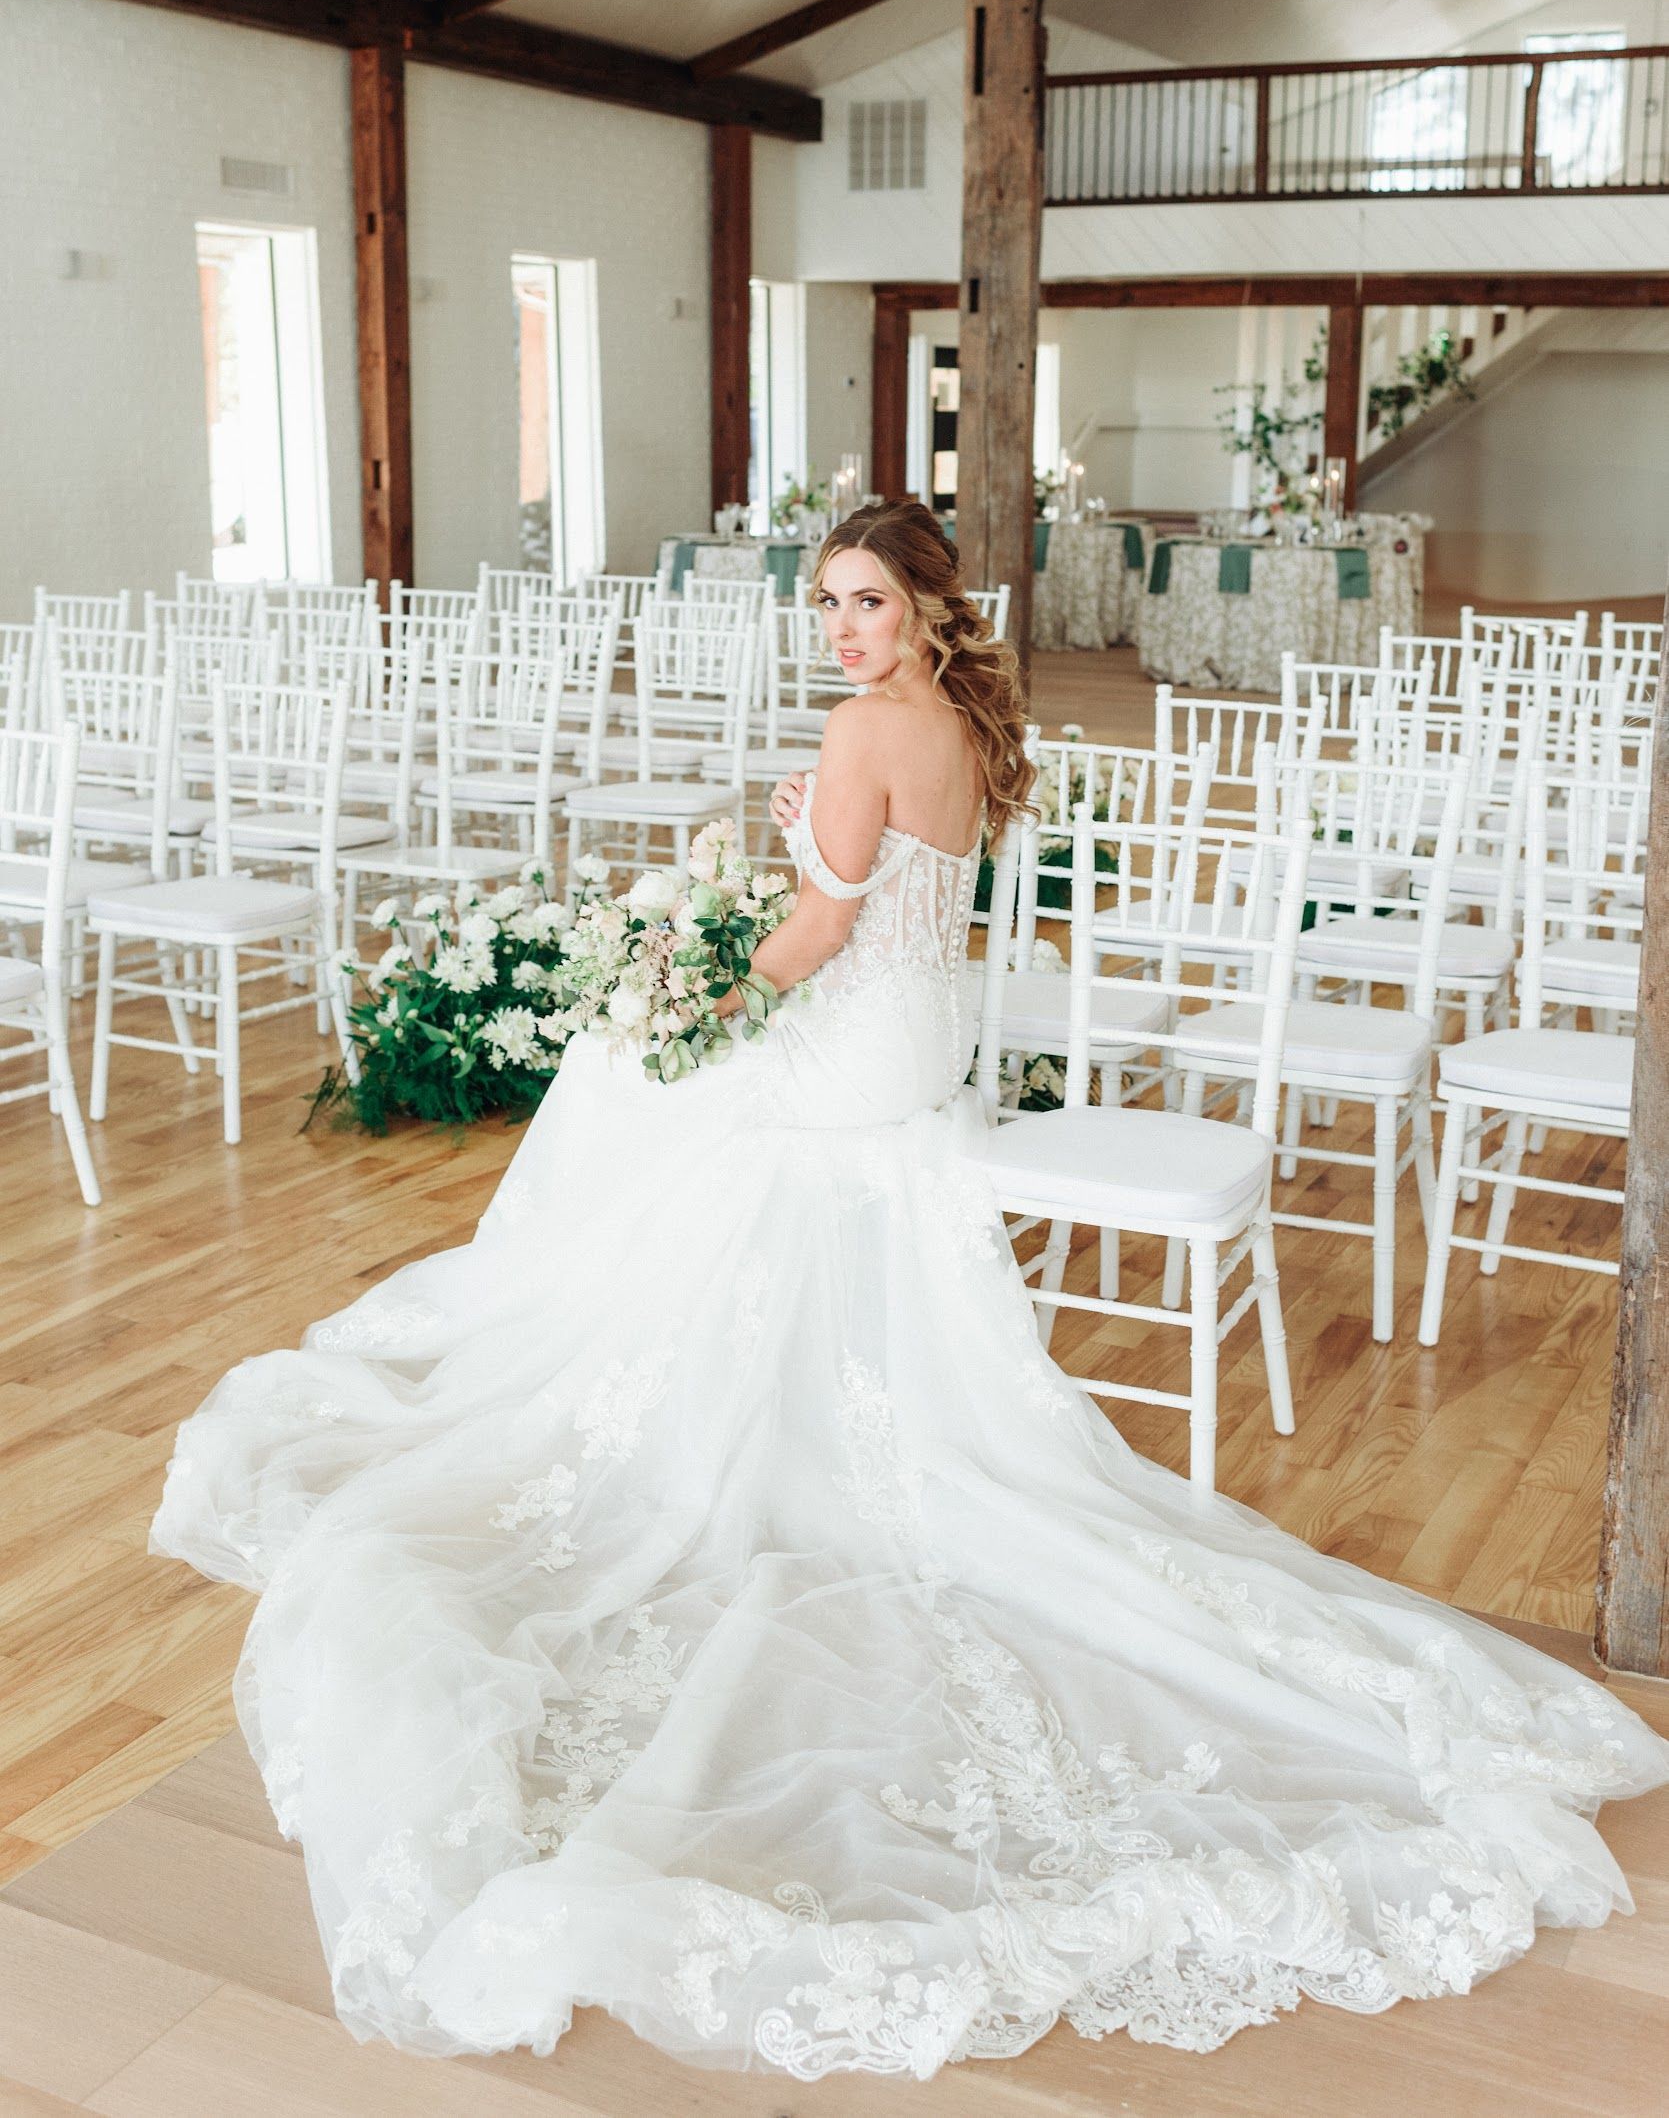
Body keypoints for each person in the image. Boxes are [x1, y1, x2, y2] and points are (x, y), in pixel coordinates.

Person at [151, 498, 1668, 2081]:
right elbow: (882, 903)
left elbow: (818, 923)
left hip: (863, 1039)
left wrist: (699, 996)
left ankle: (677, 1397)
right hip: (925, 1030)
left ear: (921, 610)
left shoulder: (869, 723)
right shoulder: (949, 719)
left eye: (862, 602)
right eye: (824, 605)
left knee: (634, 1086)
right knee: (668, 1098)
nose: (838, 629)